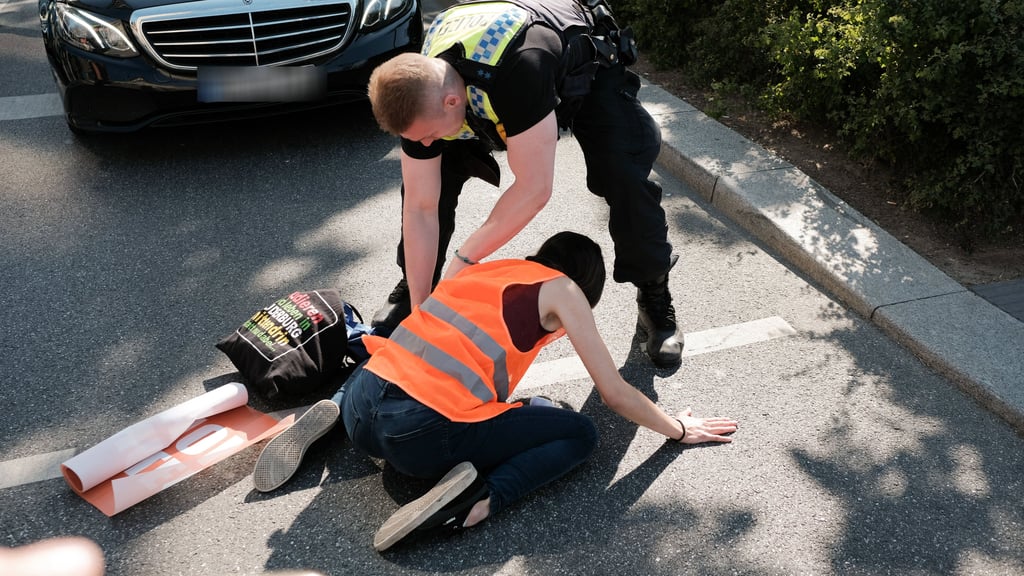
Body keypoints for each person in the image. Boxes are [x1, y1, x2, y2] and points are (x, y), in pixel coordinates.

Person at [252, 232, 738, 551]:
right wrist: (676, 429)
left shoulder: (488, 269)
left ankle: (334, 416)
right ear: (583, 282)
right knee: (580, 435)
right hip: (418, 437)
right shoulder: (563, 291)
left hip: (364, 403)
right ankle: (476, 502)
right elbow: (612, 392)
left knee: (393, 363)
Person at [365, 0, 685, 367]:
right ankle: (415, 291)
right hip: (490, 72)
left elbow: (534, 189)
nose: (424, 144)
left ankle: (654, 295)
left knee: (623, 174)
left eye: (428, 135)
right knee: (430, 181)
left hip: (579, 63)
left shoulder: (520, 71)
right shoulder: (417, 89)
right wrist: (422, 314)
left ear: (453, 101)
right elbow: (420, 207)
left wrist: (465, 259)